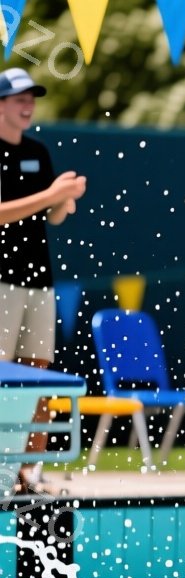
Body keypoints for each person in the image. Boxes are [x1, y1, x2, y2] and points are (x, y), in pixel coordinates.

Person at [0, 68, 85, 495]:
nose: (28, 104)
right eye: (18, 98)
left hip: (39, 281)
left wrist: (64, 199)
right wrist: (51, 196)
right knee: (1, 375)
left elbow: (51, 216)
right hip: (0, 282)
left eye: (31, 97)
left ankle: (29, 471)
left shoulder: (38, 151)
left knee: (39, 377)